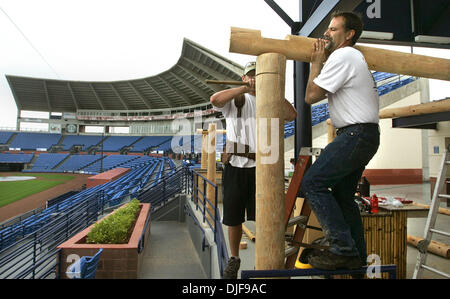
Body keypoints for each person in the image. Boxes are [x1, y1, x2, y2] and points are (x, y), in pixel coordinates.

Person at [301, 11, 380, 271]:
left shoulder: (344, 55)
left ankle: (343, 248)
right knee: (344, 197)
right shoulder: (352, 57)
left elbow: (311, 96)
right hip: (363, 134)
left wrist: (315, 62)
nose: (326, 33)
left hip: (356, 134)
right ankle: (355, 255)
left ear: (349, 35)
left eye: (333, 29)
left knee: (313, 182)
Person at [210, 61, 297, 279]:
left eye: (258, 75)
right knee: (233, 217)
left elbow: (291, 114)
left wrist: (272, 90)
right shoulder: (238, 99)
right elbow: (215, 99)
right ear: (244, 77)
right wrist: (245, 88)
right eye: (251, 75)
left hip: (264, 168)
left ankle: (265, 259)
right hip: (236, 166)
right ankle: (234, 258)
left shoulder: (270, 99)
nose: (255, 78)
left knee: (264, 216)